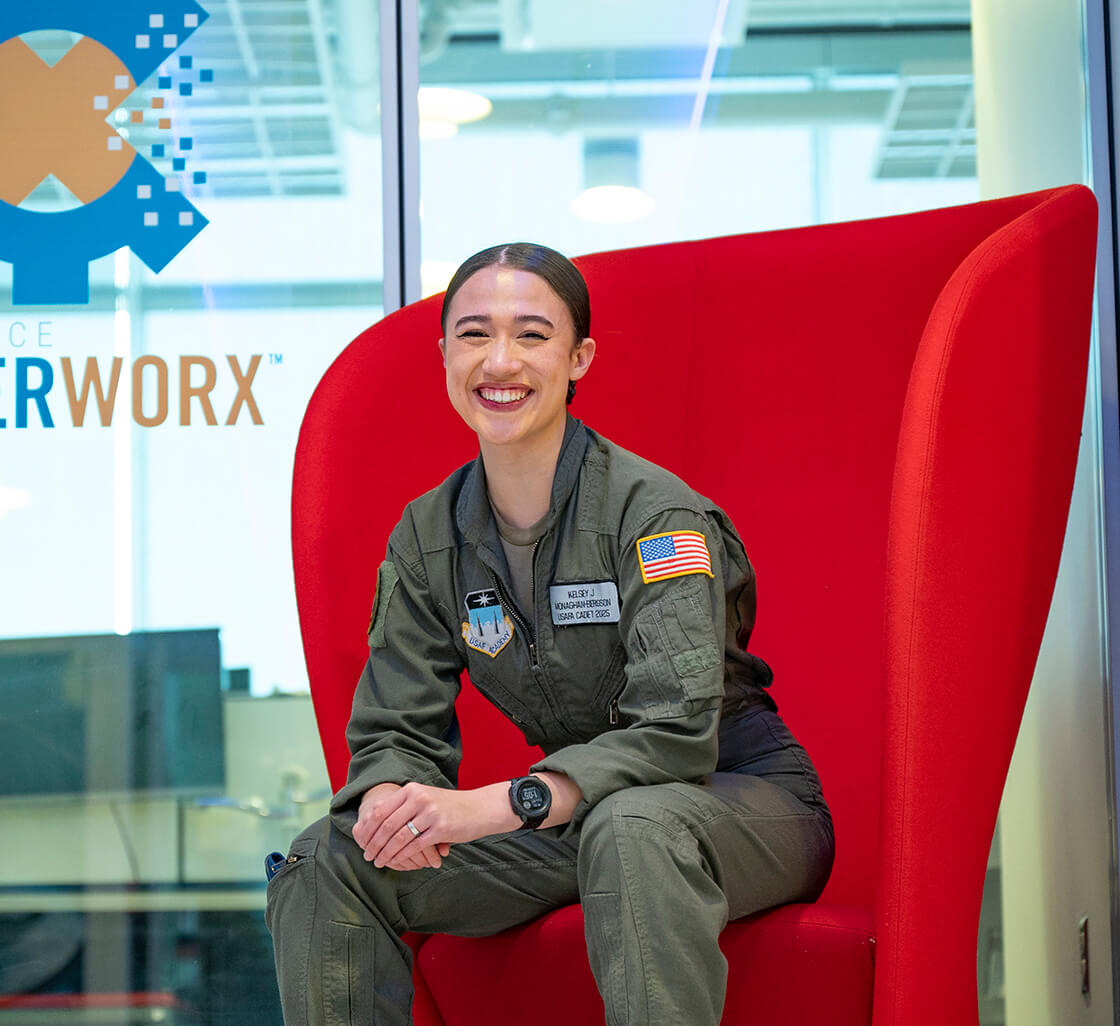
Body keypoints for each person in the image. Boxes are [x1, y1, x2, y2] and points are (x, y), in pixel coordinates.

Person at [266, 242, 834, 1026]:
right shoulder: (428, 536)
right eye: (474, 334)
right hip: (577, 821)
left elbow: (674, 736)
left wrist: (505, 803)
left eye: (532, 335)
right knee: (328, 858)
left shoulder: (655, 516)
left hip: (734, 801)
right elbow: (396, 727)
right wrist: (392, 796)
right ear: (443, 357)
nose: (500, 361)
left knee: (634, 828)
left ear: (579, 358)